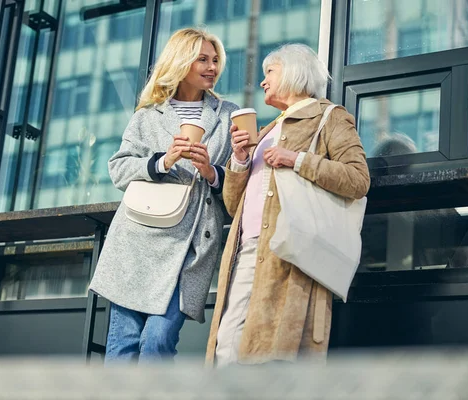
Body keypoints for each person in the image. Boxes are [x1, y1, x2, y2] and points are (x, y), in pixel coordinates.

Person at [206, 43, 371, 366]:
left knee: (274, 356)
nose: (263, 82)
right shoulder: (267, 130)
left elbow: (358, 179)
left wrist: (296, 160)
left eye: (270, 72)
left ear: (295, 72)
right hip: (247, 248)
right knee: (227, 349)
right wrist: (240, 161)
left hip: (290, 252)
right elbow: (232, 206)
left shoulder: (329, 117)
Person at [88, 28, 239, 363]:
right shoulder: (147, 115)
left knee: (158, 340)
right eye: (202, 59)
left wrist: (212, 172)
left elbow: (241, 179)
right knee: (123, 345)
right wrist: (162, 161)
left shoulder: (229, 115)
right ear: (181, 61)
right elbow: (119, 169)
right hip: (138, 242)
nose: (212, 66)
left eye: (215, 60)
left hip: (190, 248)